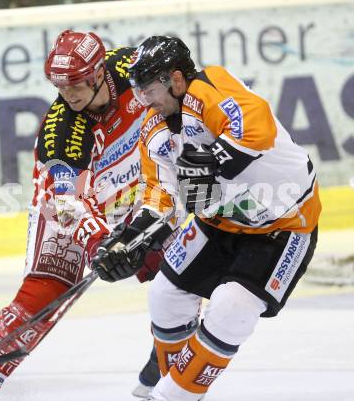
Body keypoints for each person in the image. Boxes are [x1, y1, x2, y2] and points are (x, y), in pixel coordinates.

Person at [93, 36, 321, 401]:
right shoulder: (153, 131)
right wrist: (131, 240)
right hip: (217, 224)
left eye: (149, 89)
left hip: (282, 228)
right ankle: (179, 383)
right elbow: (160, 197)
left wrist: (214, 160)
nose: (144, 102)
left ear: (177, 80)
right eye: (138, 92)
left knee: (233, 308)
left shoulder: (209, 86)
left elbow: (257, 128)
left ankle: (172, 395)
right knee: (164, 296)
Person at [0, 30, 166, 401]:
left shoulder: (133, 67)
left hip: (130, 182)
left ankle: (168, 352)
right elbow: (68, 203)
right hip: (67, 200)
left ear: (98, 72)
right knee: (50, 284)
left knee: (173, 261)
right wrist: (101, 242)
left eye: (75, 84)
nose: (67, 95)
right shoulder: (62, 130)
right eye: (59, 86)